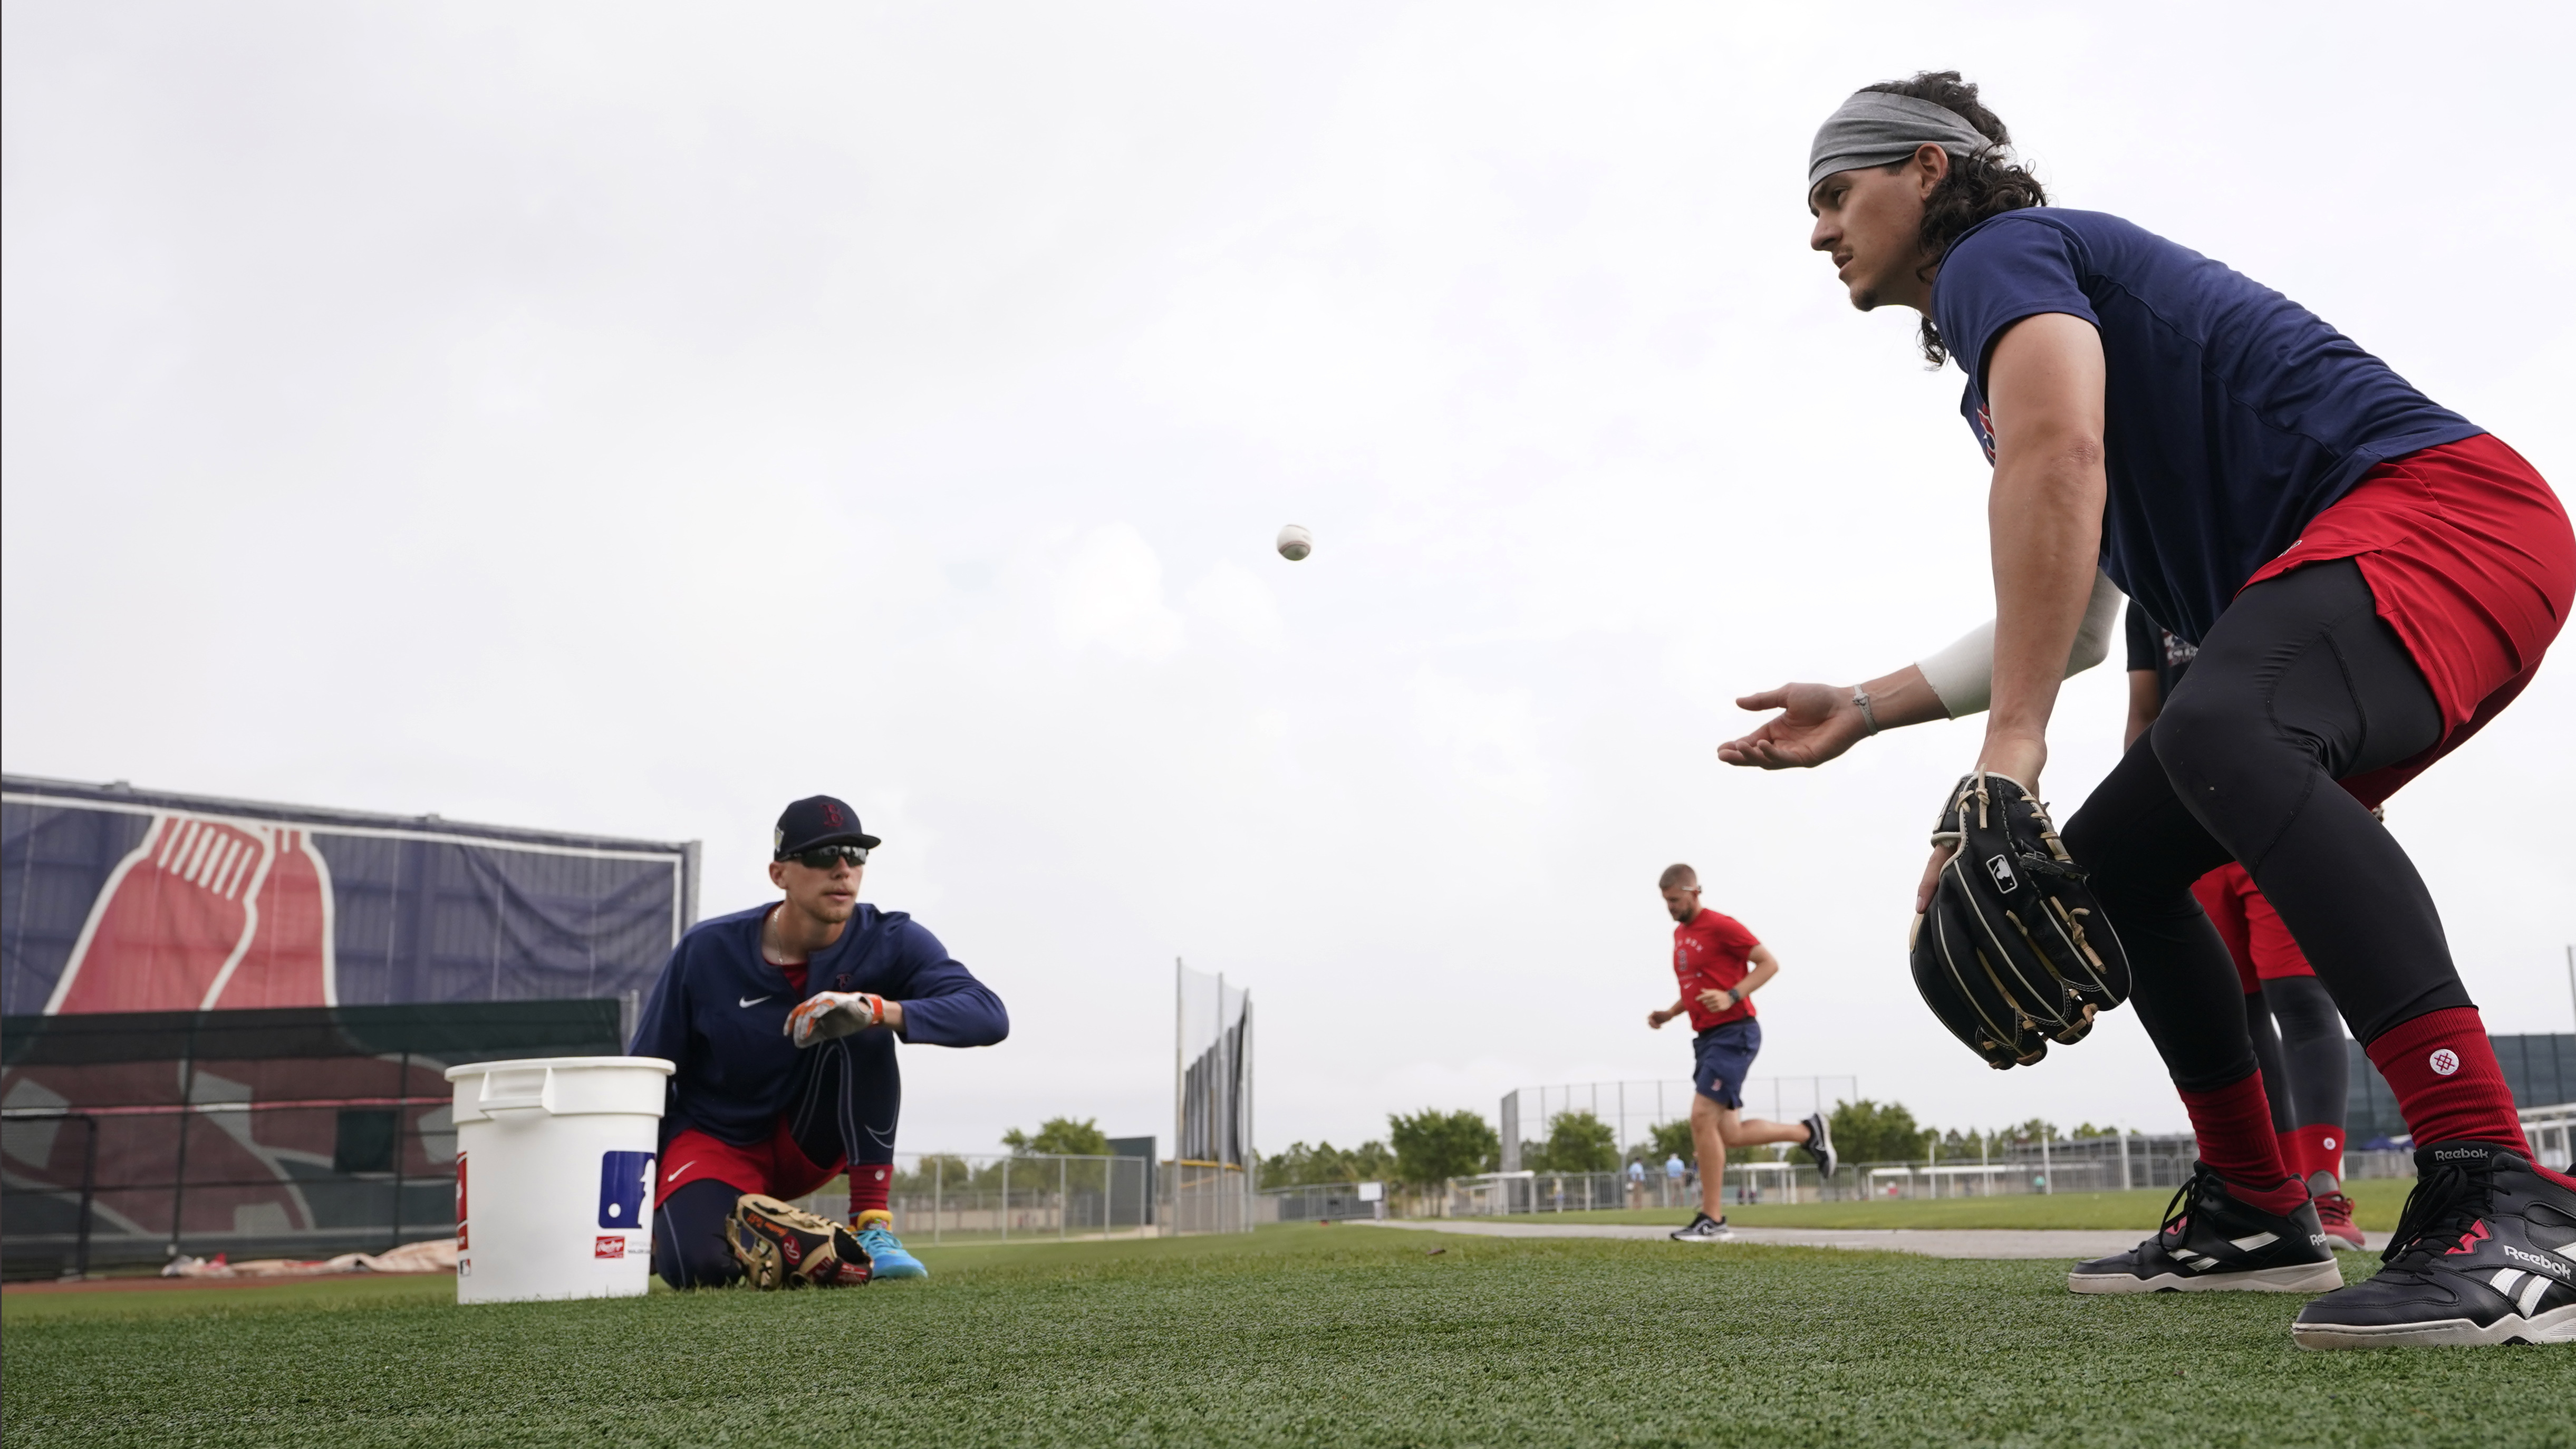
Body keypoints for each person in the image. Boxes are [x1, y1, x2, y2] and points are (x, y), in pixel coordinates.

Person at [1724, 72, 2575, 1345]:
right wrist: (1861, 703)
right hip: (2370, 571)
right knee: (2108, 867)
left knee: (2217, 729)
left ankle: (2503, 1189)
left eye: (1832, 193)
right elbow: (2072, 615)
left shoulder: (2000, 252)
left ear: (1926, 172)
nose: (1814, 230)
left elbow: (2056, 457)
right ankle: (2251, 1203)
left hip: (2444, 515)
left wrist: (2003, 757)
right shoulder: (2001, 343)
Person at [632, 795, 1009, 1288]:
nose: (842, 868)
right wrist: (638, 1203)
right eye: (819, 855)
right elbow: (648, 1071)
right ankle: (748, 1240)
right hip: (716, 1141)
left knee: (857, 1016)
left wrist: (880, 1009)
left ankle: (871, 1226)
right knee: (701, 1272)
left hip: (809, 1138)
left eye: (855, 854)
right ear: (779, 873)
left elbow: (988, 1015)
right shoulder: (707, 949)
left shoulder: (891, 937)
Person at [2125, 603, 2364, 1252]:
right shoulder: (2143, 597)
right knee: (2235, 1011)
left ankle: (2323, 1189)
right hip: (2191, 826)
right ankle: (2270, 1192)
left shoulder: (2273, 556)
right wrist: (2129, 821)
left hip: (2282, 808)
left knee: (2302, 998)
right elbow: (2145, 716)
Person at [1648, 863, 1838, 1242]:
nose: (1670, 907)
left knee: (1701, 1117)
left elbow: (1769, 963)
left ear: (1694, 891)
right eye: (1665, 901)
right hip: (1705, 1038)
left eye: (1675, 900)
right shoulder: (1680, 936)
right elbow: (1699, 987)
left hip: (1734, 1033)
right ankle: (1806, 1132)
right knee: (1728, 1133)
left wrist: (1732, 995)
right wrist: (1670, 1013)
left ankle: (1712, 1220)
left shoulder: (1722, 926)